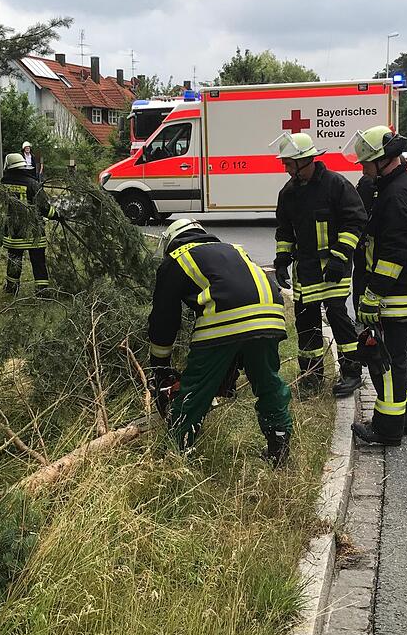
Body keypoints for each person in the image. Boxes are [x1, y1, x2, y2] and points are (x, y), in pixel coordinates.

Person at [148, 218, 293, 465]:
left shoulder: (176, 260)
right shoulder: (233, 249)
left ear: (171, 242)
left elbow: (165, 319)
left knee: (197, 387)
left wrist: (159, 364)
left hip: (226, 316)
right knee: (267, 380)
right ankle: (279, 443)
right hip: (271, 315)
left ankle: (178, 450)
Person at [345, 126, 407, 446]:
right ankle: (404, 418)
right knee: (398, 357)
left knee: (386, 361)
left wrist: (372, 295)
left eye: (367, 163)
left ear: (384, 160)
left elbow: (393, 254)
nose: (363, 168)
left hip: (396, 296)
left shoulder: (396, 195)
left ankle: (387, 429)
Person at [271, 131, 367, 398]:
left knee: (337, 315)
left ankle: (351, 371)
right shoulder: (288, 193)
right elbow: (285, 231)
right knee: (306, 321)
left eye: (289, 163)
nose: (286, 168)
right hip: (306, 269)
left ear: (306, 160)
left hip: (334, 267)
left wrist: (340, 257)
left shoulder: (336, 185)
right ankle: (311, 376)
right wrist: (281, 260)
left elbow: (355, 220)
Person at [0, 152, 61, 295]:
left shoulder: (4, 183)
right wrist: (57, 215)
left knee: (14, 260)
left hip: (14, 231)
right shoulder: (32, 183)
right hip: (34, 231)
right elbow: (44, 208)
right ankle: (42, 291)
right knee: (38, 262)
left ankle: (11, 288)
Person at [352, 160, 378, 311]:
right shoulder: (368, 183)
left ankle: (359, 307)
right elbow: (365, 211)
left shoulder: (365, 182)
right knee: (364, 273)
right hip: (365, 240)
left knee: (361, 274)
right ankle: (361, 307)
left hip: (361, 238)